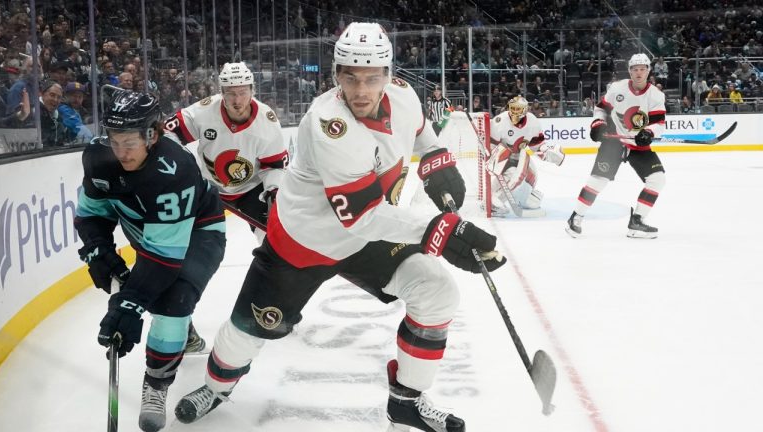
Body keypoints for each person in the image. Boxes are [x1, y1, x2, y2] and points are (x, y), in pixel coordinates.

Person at [174, 22, 505, 432]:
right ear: (336, 76)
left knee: (437, 292)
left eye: (371, 78)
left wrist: (437, 160)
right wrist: (443, 229)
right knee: (248, 328)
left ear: (388, 74)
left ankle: (407, 401)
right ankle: (216, 387)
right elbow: (361, 215)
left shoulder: (404, 96)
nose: (360, 90)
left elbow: (420, 135)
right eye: (350, 77)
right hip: (303, 242)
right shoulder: (329, 122)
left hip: (368, 235)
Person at [74, 90, 227, 432]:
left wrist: (128, 307)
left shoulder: (174, 170)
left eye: (130, 142)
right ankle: (183, 334)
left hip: (201, 230)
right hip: (147, 227)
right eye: (115, 141)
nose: (121, 152)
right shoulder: (98, 156)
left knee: (173, 300)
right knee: (154, 295)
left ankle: (157, 383)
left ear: (152, 134)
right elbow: (92, 214)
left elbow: (162, 259)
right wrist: (98, 251)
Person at [163, 62, 288, 351]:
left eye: (242, 92)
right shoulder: (205, 110)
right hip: (207, 189)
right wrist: (182, 163)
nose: (236, 99)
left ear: (252, 91)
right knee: (184, 250)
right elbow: (167, 134)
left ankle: (276, 309)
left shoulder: (267, 121)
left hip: (251, 189)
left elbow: (273, 166)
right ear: (221, 93)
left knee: (277, 246)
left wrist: (274, 192)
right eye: (230, 93)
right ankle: (181, 324)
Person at [566, 53, 666, 239]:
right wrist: (597, 124)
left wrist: (649, 133)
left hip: (637, 145)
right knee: (598, 181)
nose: (638, 73)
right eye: (635, 69)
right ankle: (575, 218)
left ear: (648, 71)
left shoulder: (656, 95)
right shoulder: (617, 88)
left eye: (642, 69)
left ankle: (637, 221)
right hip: (614, 142)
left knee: (657, 179)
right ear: (629, 71)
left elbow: (658, 123)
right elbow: (601, 109)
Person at [486, 95, 564, 217]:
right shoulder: (499, 121)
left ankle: (527, 197)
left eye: (518, 109)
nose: (514, 112)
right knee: (512, 175)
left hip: (521, 156)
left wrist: (547, 152)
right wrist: (495, 159)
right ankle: (492, 200)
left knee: (531, 190)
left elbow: (537, 144)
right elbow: (491, 147)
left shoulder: (533, 121)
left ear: (525, 110)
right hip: (504, 158)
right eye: (513, 108)